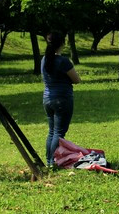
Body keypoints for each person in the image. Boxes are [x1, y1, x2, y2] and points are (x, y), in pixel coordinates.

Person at [42, 31, 81, 167]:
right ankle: (53, 162)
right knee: (59, 133)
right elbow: (76, 79)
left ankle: (48, 161)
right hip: (62, 99)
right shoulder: (63, 61)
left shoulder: (44, 60)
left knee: (52, 131)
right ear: (62, 43)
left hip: (47, 98)